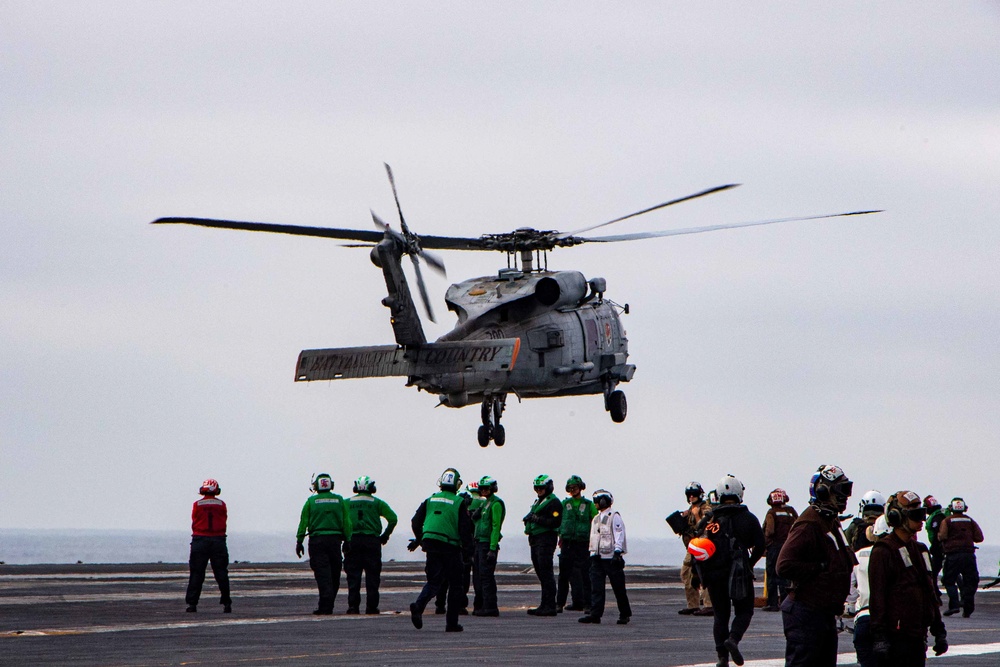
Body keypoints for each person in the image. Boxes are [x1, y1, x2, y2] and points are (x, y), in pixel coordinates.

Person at [776, 464, 856, 667]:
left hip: (822, 613)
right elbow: (784, 566)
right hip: (807, 614)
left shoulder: (829, 520)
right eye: (841, 490)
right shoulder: (809, 524)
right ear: (823, 490)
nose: (845, 496)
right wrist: (819, 568)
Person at [694, 475, 765, 667]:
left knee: (720, 615)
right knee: (744, 611)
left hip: (715, 575)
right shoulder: (749, 518)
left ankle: (722, 658)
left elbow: (698, 547)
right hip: (740, 574)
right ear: (739, 494)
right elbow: (760, 544)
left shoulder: (711, 520)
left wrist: (698, 575)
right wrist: (750, 563)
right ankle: (733, 639)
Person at [869, 490, 947, 664]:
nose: (921, 520)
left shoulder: (920, 550)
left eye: (922, 514)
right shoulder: (883, 551)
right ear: (897, 517)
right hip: (895, 639)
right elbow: (878, 597)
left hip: (917, 637)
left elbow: (929, 590)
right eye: (915, 515)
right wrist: (879, 637)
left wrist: (938, 630)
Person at [409, 468, 474, 632]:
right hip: (450, 546)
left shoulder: (430, 499)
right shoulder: (459, 502)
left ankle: (418, 605)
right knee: (456, 585)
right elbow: (466, 530)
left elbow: (415, 522)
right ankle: (451, 623)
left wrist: (420, 540)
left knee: (433, 582)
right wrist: (468, 552)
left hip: (431, 544)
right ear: (457, 484)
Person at [295, 473, 352, 615]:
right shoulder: (339, 500)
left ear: (316, 486)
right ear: (331, 484)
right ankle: (328, 604)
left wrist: (299, 541)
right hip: (335, 541)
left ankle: (325, 606)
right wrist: (348, 540)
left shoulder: (311, 502)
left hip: (317, 541)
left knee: (322, 574)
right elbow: (347, 522)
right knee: (334, 574)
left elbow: (303, 523)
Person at [344, 475, 397, 615]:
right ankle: (372, 607)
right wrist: (385, 536)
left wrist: (344, 537)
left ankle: (353, 607)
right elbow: (393, 519)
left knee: (353, 576)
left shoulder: (346, 502)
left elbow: (339, 519)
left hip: (353, 541)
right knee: (373, 577)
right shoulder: (377, 502)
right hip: (372, 542)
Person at [579, 489, 632, 625]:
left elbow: (619, 534)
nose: (595, 503)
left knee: (619, 588)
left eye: (598, 500)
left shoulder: (614, 516)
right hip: (597, 558)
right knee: (596, 588)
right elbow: (594, 537)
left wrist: (617, 552)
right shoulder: (596, 518)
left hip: (611, 558)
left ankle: (624, 614)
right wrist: (592, 554)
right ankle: (595, 614)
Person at [185, 478, 232, 613]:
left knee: (196, 573)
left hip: (200, 540)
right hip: (218, 540)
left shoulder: (197, 504)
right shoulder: (221, 504)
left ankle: (192, 603)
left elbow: (194, 520)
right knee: (221, 572)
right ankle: (226, 602)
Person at [851, 514, 891, 667]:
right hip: (888, 621)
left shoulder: (859, 555)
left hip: (863, 617)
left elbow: (850, 588)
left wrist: (850, 604)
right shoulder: (897, 554)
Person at [435, 480, 479, 615]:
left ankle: (441, 604)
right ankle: (458, 605)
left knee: (444, 577)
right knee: (460, 578)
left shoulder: (452, 503)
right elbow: (466, 530)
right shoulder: (467, 505)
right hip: (458, 546)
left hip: (449, 543)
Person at [522, 473, 562, 616]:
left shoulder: (554, 503)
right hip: (535, 540)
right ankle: (544, 604)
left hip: (546, 540)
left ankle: (550, 605)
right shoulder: (538, 502)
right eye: (537, 488)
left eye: (541, 488)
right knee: (541, 573)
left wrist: (536, 519)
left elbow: (555, 522)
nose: (539, 490)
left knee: (546, 573)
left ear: (548, 487)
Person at [557, 475, 598, 613]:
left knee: (586, 575)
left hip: (583, 544)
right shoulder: (564, 504)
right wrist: (560, 535)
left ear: (581, 488)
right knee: (564, 575)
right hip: (567, 543)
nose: (573, 490)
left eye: (575, 487)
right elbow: (559, 521)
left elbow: (595, 521)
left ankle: (587, 604)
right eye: (570, 488)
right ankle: (559, 604)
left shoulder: (588, 505)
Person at [938, 496, 984, 617]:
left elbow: (942, 536)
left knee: (949, 580)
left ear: (951, 508)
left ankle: (954, 605)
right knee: (970, 581)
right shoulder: (970, 521)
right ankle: (968, 607)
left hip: (953, 555)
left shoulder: (947, 521)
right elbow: (979, 538)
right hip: (969, 555)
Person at [676, 482, 714, 616]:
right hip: (692, 546)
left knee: (705, 575)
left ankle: (709, 605)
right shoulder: (691, 509)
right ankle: (693, 605)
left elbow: (707, 527)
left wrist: (697, 515)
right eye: (689, 495)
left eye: (694, 495)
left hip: (704, 545)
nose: (691, 497)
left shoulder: (706, 508)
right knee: (686, 573)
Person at [471, 475, 505, 617]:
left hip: (487, 544)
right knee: (478, 576)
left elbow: (496, 526)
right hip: (479, 542)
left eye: (487, 488)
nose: (484, 490)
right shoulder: (484, 504)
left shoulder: (496, 504)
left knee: (486, 577)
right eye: (482, 488)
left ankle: (490, 607)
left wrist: (492, 548)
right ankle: (482, 605)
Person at [762, 488, 797, 612]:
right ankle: (785, 601)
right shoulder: (791, 511)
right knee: (785, 575)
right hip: (788, 547)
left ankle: (772, 603)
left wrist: (764, 544)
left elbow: (769, 531)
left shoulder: (771, 513)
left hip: (774, 547)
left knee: (772, 575)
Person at [923, 495, 946, 591]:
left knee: (933, 572)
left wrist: (935, 547)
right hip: (942, 548)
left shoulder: (937, 517)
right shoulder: (939, 515)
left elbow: (937, 533)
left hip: (939, 549)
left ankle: (935, 591)